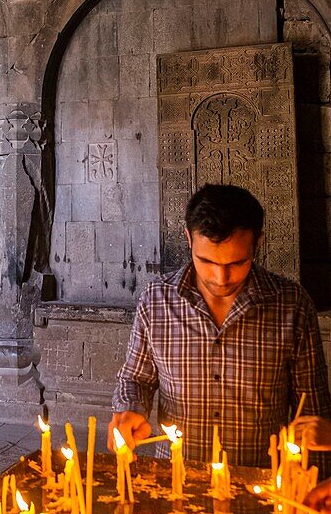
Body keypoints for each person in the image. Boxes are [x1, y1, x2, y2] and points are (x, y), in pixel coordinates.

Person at [108, 184, 331, 466]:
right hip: (178, 480)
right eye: (206, 261)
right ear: (188, 238)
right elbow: (136, 378)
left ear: (257, 243)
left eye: (237, 263)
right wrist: (130, 409)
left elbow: (312, 411)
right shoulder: (157, 301)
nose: (221, 277)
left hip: (259, 484)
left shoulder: (291, 305)